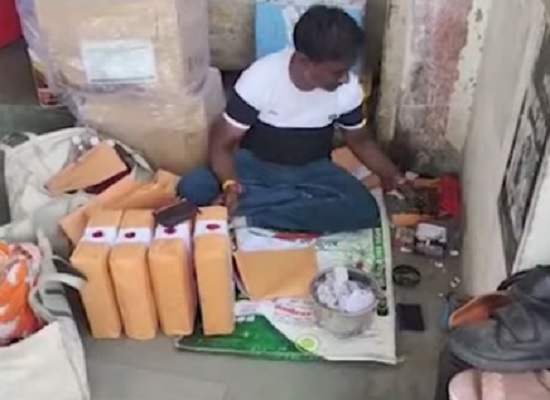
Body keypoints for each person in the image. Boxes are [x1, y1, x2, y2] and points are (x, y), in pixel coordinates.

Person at [178, 4, 407, 234]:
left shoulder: (347, 89)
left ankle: (254, 214)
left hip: (313, 171)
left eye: (347, 70)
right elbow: (221, 144)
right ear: (305, 62)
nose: (344, 79)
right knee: (193, 186)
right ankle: (292, 202)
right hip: (256, 167)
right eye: (337, 72)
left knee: (363, 210)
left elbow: (360, 141)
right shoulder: (260, 78)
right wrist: (230, 184)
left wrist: (393, 176)